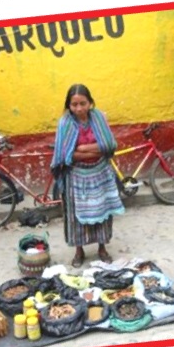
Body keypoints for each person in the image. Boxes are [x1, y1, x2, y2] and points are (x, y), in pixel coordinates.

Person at [51, 84, 125, 268]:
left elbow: (109, 145)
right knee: (76, 217)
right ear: (68, 105)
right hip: (75, 177)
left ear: (90, 102)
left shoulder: (98, 117)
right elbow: (66, 154)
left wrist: (82, 149)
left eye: (83, 103)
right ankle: (79, 251)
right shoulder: (65, 123)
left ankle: (102, 249)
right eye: (74, 104)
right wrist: (92, 150)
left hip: (100, 173)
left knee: (103, 212)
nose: (79, 108)